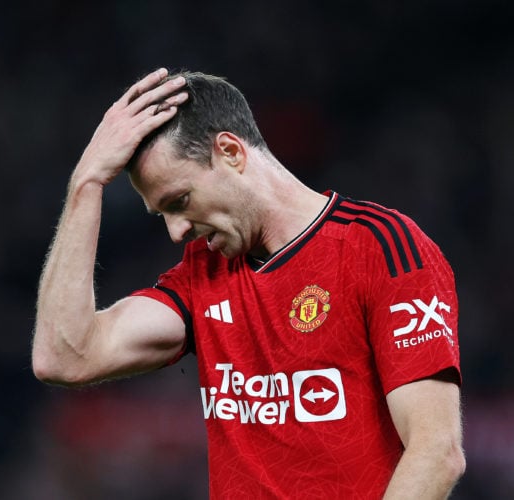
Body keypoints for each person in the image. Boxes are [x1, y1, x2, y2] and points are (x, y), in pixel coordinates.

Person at [32, 68, 465, 499]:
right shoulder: (202, 276)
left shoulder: (381, 248)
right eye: (161, 213)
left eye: (179, 201)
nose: (176, 231)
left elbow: (436, 452)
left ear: (230, 152)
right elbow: (65, 356)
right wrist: (85, 184)